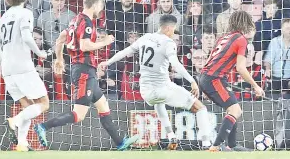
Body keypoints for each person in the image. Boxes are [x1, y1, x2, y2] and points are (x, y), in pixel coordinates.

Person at [34, 0, 139, 150]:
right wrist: (104, 41)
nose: (101, 10)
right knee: (78, 115)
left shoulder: (74, 20)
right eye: (101, 6)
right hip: (83, 71)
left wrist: (60, 59)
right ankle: (43, 126)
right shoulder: (87, 22)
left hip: (85, 70)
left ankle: (120, 143)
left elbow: (60, 39)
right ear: (95, 5)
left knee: (103, 107)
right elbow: (84, 46)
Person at [99, 14, 213, 149]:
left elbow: (125, 52)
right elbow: (175, 64)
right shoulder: (168, 42)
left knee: (159, 104)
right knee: (201, 108)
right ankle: (207, 144)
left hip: (146, 92)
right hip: (163, 89)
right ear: (169, 28)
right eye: (173, 29)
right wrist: (192, 80)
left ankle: (171, 137)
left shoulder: (145, 38)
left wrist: (107, 62)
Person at [0, 0, 50, 152]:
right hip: (22, 66)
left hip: (7, 68)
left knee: (28, 106)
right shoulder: (25, 13)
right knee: (44, 103)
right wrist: (40, 53)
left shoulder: (3, 17)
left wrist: (6, 62)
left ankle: (22, 143)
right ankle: (14, 121)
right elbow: (26, 37)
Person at [199, 11, 265, 152]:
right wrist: (255, 86)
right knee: (235, 110)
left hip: (208, 77)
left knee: (233, 108)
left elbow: (212, 59)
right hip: (213, 79)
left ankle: (232, 145)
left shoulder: (224, 37)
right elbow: (241, 68)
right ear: (247, 24)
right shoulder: (241, 40)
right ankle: (215, 147)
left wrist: (204, 85)